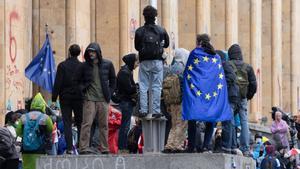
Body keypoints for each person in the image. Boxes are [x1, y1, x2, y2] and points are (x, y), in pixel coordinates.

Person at [75, 42, 116, 154]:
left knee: (104, 125)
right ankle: (83, 147)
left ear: (98, 52)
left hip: (103, 99)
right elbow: (77, 81)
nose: (91, 53)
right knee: (86, 123)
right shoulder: (83, 66)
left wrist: (110, 92)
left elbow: (113, 80)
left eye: (93, 51)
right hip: (89, 99)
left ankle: (104, 148)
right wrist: (83, 92)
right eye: (89, 51)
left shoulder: (108, 64)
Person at [134, 5, 169, 118]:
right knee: (157, 86)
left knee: (143, 86)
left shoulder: (139, 31)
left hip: (144, 61)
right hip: (157, 61)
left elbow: (137, 47)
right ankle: (156, 110)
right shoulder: (161, 30)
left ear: (144, 16)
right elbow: (167, 44)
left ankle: (143, 110)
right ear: (155, 16)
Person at [52, 44, 83, 154]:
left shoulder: (62, 66)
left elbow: (58, 83)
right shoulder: (81, 66)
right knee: (80, 122)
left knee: (67, 122)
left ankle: (70, 148)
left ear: (69, 52)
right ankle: (81, 146)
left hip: (65, 98)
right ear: (79, 53)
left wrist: (54, 98)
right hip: (79, 97)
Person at [228, 44, 257, 156]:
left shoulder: (227, 65)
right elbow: (254, 85)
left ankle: (232, 145)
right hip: (243, 97)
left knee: (230, 120)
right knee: (244, 121)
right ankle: (245, 148)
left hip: (231, 97)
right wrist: (247, 96)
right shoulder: (248, 67)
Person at [16, 93, 54, 169]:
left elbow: (18, 132)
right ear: (43, 105)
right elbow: (51, 129)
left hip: (26, 149)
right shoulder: (45, 118)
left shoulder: (23, 117)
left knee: (27, 167)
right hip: (40, 149)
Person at [163, 48, 189, 153]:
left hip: (171, 100)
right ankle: (177, 145)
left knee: (174, 124)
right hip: (181, 100)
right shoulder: (183, 69)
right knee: (181, 123)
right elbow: (184, 85)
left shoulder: (170, 68)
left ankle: (169, 144)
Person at [216, 50, 240, 154]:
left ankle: (226, 146)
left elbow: (229, 79)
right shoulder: (227, 65)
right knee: (230, 122)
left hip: (229, 97)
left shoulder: (225, 65)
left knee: (227, 122)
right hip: (233, 97)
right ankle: (232, 146)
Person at [117, 53, 139, 153]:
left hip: (127, 102)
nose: (137, 64)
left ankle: (123, 146)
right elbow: (129, 89)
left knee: (125, 126)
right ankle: (122, 147)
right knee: (125, 126)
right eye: (136, 62)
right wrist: (137, 86)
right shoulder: (125, 72)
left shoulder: (126, 71)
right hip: (126, 102)